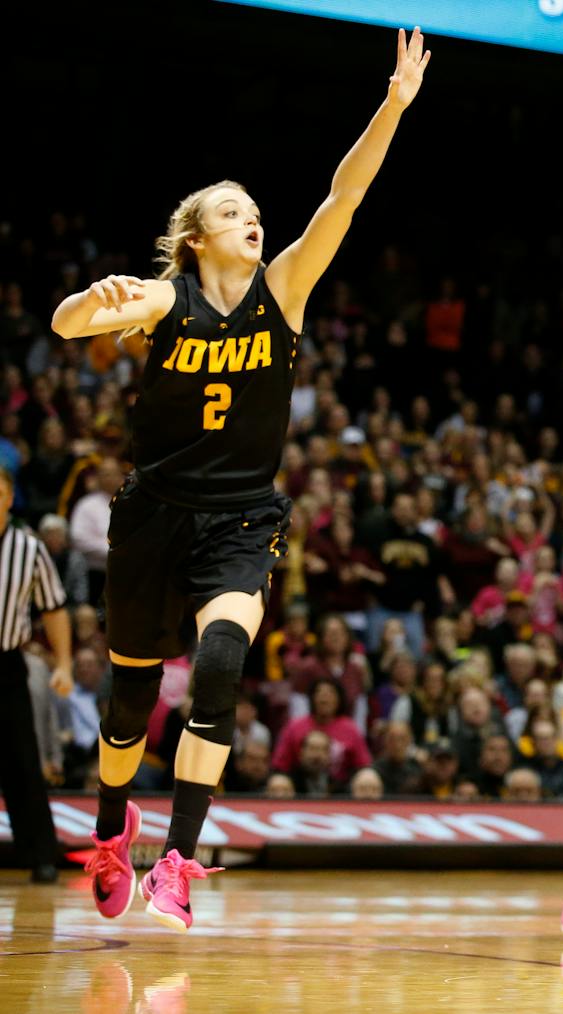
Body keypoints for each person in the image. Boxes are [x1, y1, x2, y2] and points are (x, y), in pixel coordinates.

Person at [51, 27, 429, 932]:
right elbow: (72, 325)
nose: (252, 216)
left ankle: (179, 857)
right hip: (152, 517)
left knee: (221, 662)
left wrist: (393, 105)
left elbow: (345, 196)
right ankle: (112, 831)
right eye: (232, 210)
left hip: (240, 518)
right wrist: (85, 306)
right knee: (129, 701)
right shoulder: (163, 298)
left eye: (254, 207)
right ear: (196, 237)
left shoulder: (285, 289)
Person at [0, 467, 71, 883]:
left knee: (22, 761)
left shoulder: (29, 548)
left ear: (10, 498)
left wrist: (62, 663)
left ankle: (40, 853)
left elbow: (54, 607)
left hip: (7, 663)